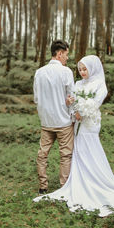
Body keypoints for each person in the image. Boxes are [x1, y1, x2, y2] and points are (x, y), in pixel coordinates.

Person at [33, 55, 114, 217]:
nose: (82, 72)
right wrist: (72, 104)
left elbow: (95, 103)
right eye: (80, 69)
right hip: (77, 123)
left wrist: (81, 112)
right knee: (77, 151)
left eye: (85, 69)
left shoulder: (100, 85)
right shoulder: (77, 83)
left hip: (89, 124)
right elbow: (72, 100)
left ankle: (95, 180)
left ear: (93, 68)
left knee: (88, 149)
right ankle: (78, 180)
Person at [33, 40, 75, 195]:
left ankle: (43, 186)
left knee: (42, 154)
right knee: (65, 155)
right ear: (59, 53)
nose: (67, 58)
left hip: (46, 122)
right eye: (66, 54)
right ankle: (64, 187)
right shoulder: (66, 72)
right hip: (63, 121)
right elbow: (72, 96)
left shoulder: (39, 72)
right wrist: (71, 115)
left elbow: (36, 98)